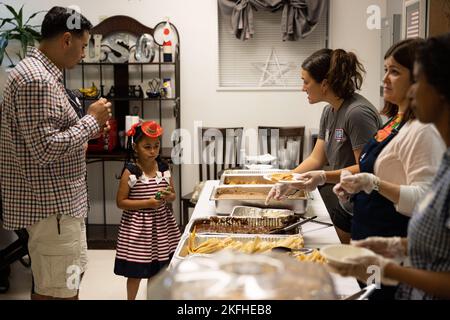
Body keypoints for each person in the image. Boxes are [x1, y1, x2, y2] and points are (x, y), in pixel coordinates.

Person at [0, 6, 111, 299]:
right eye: (83, 45)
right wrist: (92, 120)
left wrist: (83, 135)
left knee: (59, 285)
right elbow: (46, 149)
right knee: (58, 291)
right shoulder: (37, 80)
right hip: (52, 210)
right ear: (66, 39)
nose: (84, 54)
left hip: (58, 208)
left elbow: (47, 140)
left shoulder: (40, 74)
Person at [329, 33, 450, 300]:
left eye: (394, 72)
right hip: (376, 239)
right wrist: (397, 247)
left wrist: (391, 267)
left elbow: (423, 199)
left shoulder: (425, 133)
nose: (385, 80)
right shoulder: (396, 121)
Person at [266, 48, 381, 243]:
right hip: (347, 202)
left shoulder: (357, 114)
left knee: (354, 267)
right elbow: (316, 158)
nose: (303, 88)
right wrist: (287, 180)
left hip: (367, 206)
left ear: (325, 84)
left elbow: (367, 168)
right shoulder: (330, 112)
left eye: (306, 81)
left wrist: (322, 177)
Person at [114, 121, 181, 300]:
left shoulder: (164, 168)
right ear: (135, 147)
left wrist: (168, 196)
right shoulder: (131, 172)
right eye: (147, 147)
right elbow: (121, 202)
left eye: (156, 146)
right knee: (135, 270)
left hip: (161, 226)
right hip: (138, 229)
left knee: (156, 268)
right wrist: (148, 203)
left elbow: (173, 195)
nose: (153, 151)